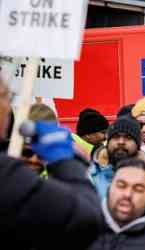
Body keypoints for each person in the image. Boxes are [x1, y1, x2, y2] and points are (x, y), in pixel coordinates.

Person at [0, 77, 102, 249]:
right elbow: (87, 218)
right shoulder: (8, 176)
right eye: (6, 96)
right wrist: (66, 161)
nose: (33, 159)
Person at [88, 158, 145, 250]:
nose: (127, 194)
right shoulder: (82, 232)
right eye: (121, 185)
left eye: (138, 189)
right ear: (109, 189)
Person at [89, 116, 141, 199]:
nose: (121, 142)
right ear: (107, 143)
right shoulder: (90, 177)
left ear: (138, 146)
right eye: (116, 137)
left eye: (128, 137)